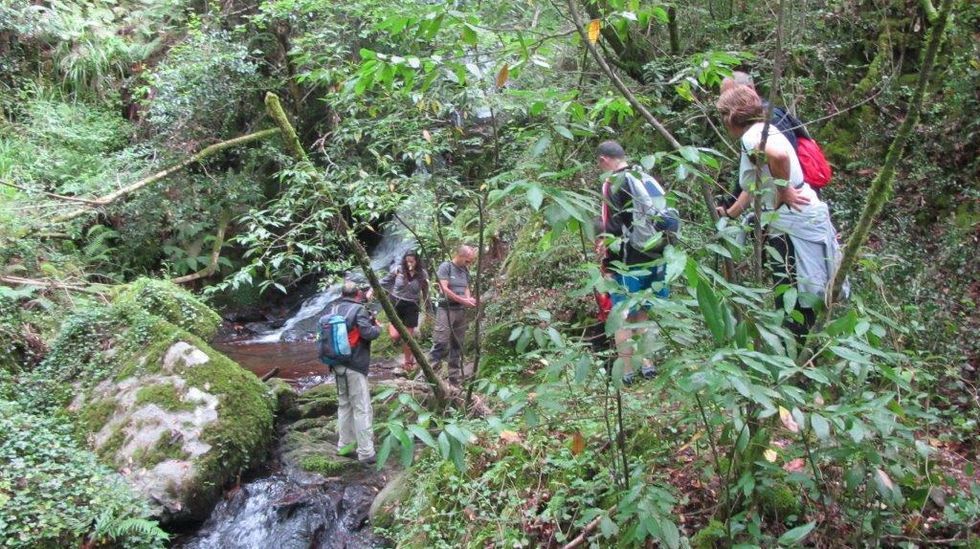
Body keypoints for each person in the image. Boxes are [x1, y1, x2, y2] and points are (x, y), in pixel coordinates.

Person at [715, 86, 844, 339]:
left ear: (731, 116)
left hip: (791, 224)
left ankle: (800, 358)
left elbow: (780, 156)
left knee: (794, 297)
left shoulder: (753, 137)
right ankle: (809, 351)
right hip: (800, 215)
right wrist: (730, 214)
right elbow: (753, 185)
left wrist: (784, 191)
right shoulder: (765, 130)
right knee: (806, 291)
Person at [595, 140, 669, 385]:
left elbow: (611, 228)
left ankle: (628, 371)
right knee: (643, 313)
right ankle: (647, 365)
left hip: (629, 261)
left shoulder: (612, 183)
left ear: (604, 159)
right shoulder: (644, 175)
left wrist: (607, 264)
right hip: (656, 255)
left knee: (623, 315)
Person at [328, 281, 382, 464]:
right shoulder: (359, 310)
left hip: (336, 363)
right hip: (355, 365)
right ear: (357, 293)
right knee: (362, 407)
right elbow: (368, 334)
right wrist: (378, 328)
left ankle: (344, 445)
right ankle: (366, 452)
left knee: (344, 404)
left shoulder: (334, 309)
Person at [429, 245, 477, 386]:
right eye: (468, 261)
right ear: (460, 256)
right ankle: (428, 376)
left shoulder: (465, 269)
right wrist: (462, 300)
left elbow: (466, 287)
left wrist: (468, 299)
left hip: (460, 311)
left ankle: (454, 379)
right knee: (440, 342)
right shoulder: (446, 267)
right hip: (446, 309)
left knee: (457, 344)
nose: (469, 264)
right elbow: (443, 288)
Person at [379, 251, 429, 372]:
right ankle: (391, 324)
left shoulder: (422, 274)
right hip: (396, 302)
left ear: (417, 261)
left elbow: (426, 291)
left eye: (412, 261)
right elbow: (384, 281)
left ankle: (408, 361)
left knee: (408, 337)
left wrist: (428, 308)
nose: (409, 264)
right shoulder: (398, 270)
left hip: (412, 305)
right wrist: (371, 289)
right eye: (407, 261)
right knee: (395, 335)